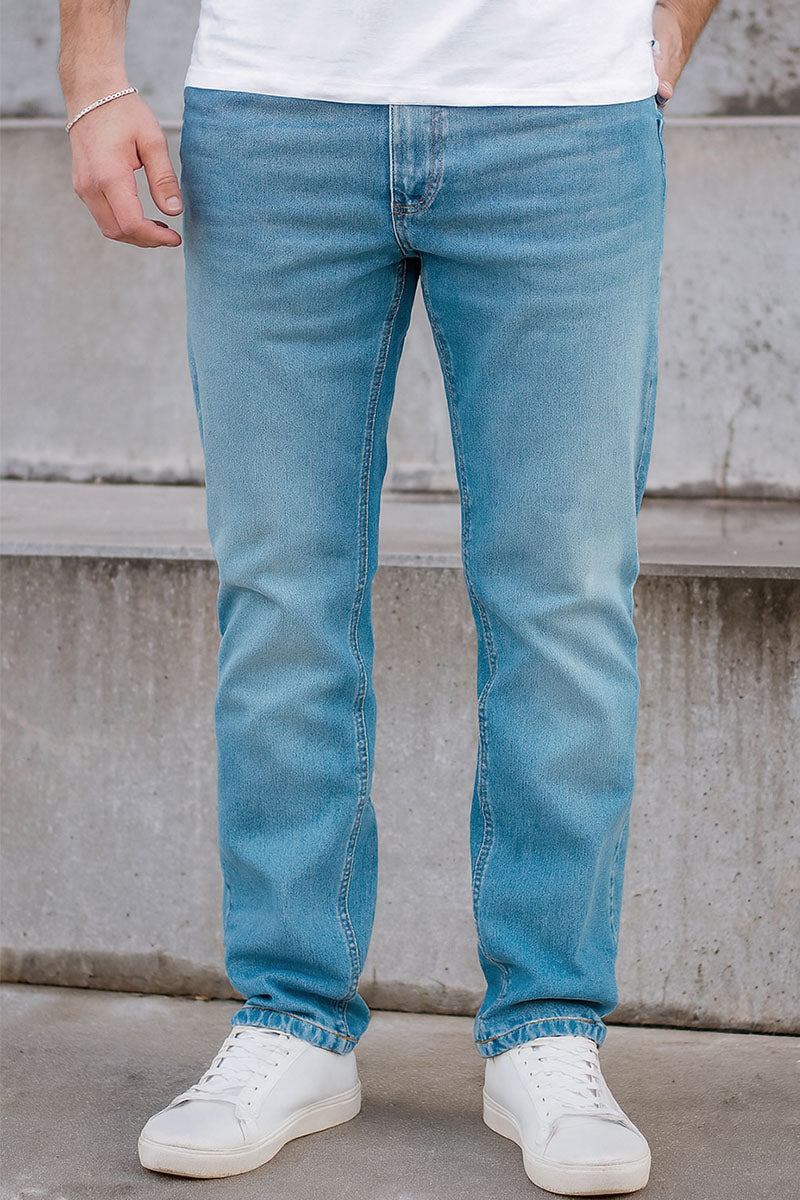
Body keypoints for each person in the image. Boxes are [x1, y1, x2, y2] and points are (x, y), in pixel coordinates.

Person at [58, 0, 718, 1193]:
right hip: (275, 112)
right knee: (282, 595)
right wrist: (92, 68)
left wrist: (672, 21)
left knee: (562, 599)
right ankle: (291, 1022)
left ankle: (548, 1028)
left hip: (560, 116)